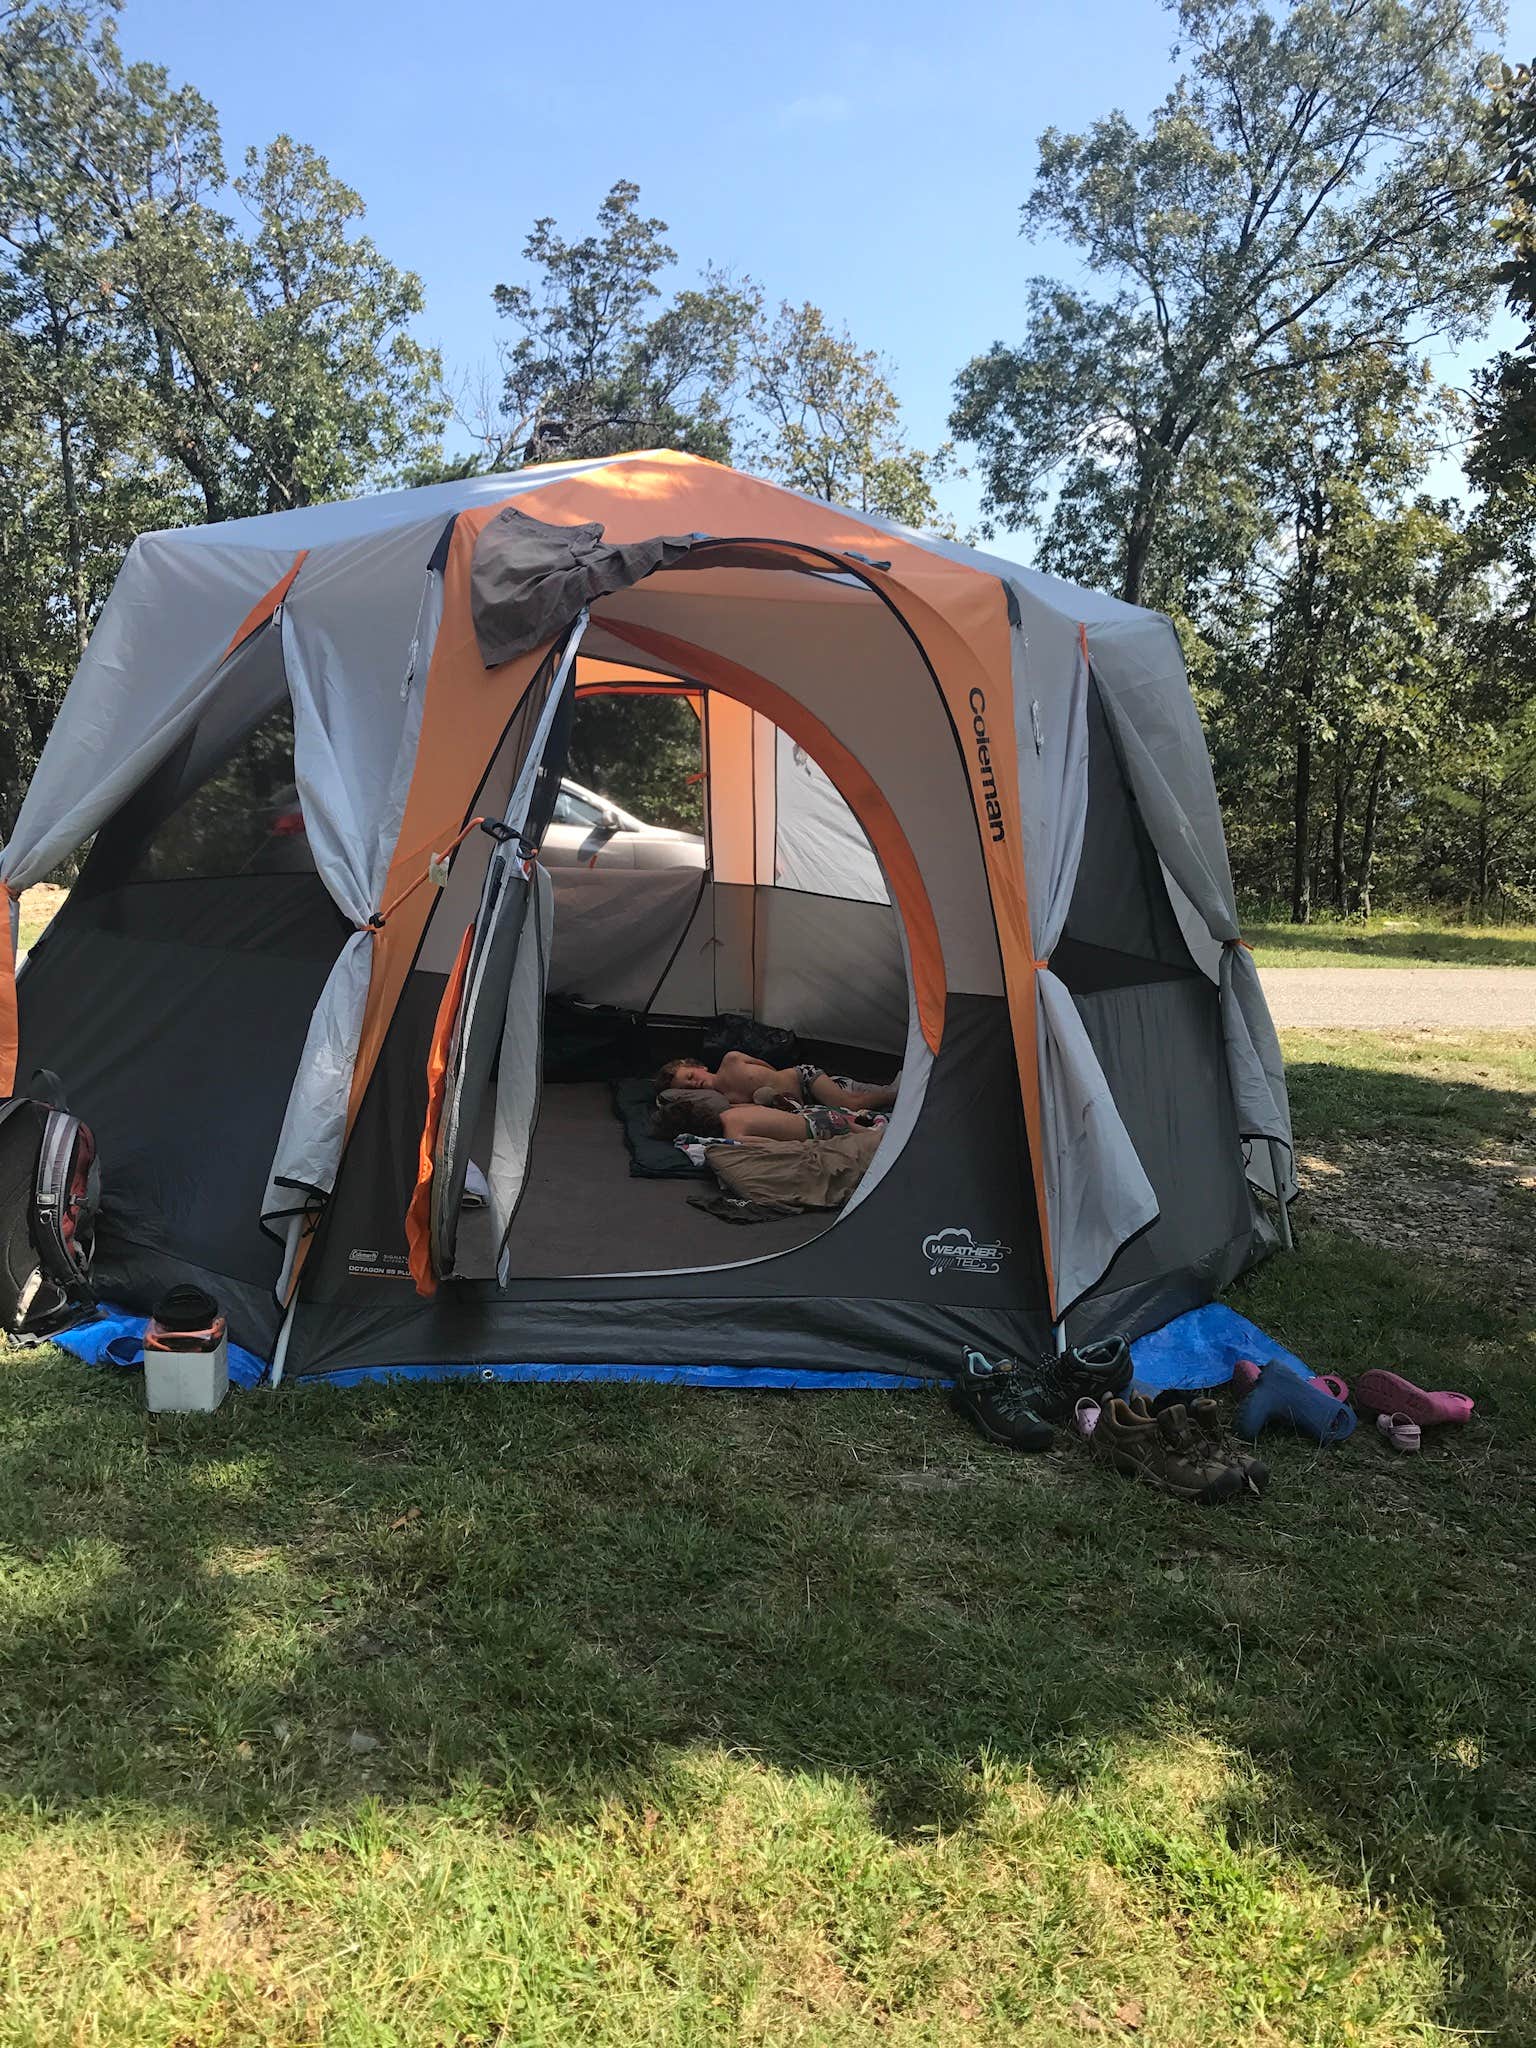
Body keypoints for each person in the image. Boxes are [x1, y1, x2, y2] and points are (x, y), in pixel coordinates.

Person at [655, 1051, 897, 1114]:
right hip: (801, 1104)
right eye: (687, 1088)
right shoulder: (726, 1102)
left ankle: (897, 1094)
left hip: (803, 1078)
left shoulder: (731, 1060)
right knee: (849, 1104)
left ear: (699, 1067)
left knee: (849, 1104)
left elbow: (767, 1067)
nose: (694, 1084)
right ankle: (886, 1092)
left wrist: (782, 1079)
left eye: (690, 1076)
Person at [651, 1097, 888, 1145]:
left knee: (869, 1139)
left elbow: (773, 1146)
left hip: (816, 1129)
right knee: (855, 1126)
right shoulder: (730, 1112)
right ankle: (872, 1123)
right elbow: (760, 1108)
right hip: (812, 1113)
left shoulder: (733, 1133)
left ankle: (879, 1130)